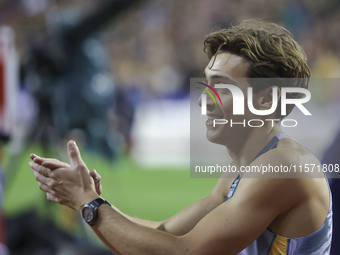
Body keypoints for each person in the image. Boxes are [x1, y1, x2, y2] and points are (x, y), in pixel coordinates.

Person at [28, 20, 332, 255]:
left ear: (265, 101)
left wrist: (89, 204)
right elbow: (165, 233)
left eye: (222, 88)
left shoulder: (285, 166)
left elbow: (185, 251)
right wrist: (91, 201)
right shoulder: (246, 166)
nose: (204, 101)